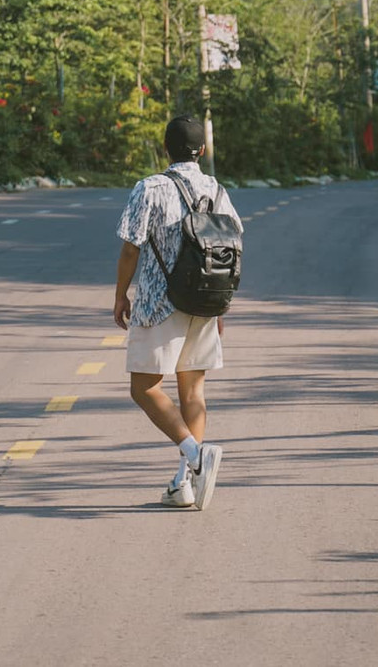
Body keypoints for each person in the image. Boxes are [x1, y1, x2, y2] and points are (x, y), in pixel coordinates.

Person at [113, 114, 243, 511]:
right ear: (201, 150)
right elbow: (232, 244)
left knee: (144, 388)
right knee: (193, 391)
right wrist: (220, 303)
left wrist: (121, 296)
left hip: (159, 303)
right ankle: (183, 484)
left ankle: (194, 454)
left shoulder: (150, 188)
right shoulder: (217, 190)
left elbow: (131, 247)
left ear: (165, 148)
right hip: (204, 303)